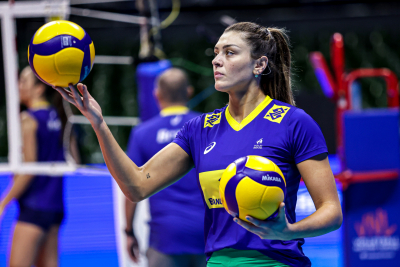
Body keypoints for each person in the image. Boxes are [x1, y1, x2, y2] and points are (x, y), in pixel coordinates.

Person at [54, 22, 342, 267]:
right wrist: (98, 123)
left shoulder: (294, 122)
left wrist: (286, 231)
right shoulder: (199, 129)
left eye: (230, 53)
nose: (217, 60)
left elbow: (331, 211)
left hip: (277, 261)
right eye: (216, 53)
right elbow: (137, 186)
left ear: (260, 64)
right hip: (217, 262)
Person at [124, 68, 206, 267]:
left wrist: (129, 231)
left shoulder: (142, 133)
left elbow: (130, 187)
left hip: (165, 237)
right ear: (189, 91)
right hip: (207, 233)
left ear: (157, 95)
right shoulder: (209, 126)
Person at [0, 66, 79, 267]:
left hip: (33, 209)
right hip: (56, 208)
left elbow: (28, 172)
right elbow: (75, 161)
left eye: (23, 82)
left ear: (39, 89)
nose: (18, 86)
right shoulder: (61, 116)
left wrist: (2, 204)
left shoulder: (28, 119)